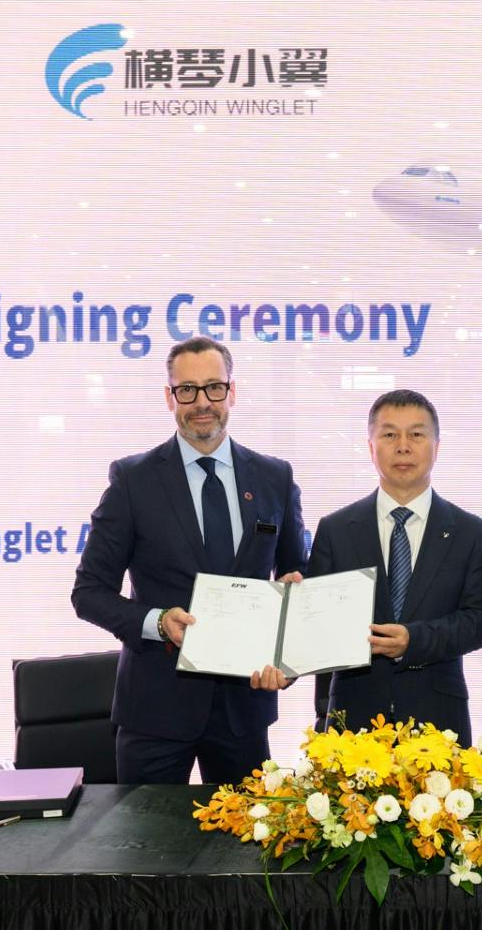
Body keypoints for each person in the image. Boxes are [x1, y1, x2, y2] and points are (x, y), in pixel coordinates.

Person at [72, 336, 307, 783]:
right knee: (146, 852)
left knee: (246, 853)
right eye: (188, 390)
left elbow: (297, 577)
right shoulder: (132, 480)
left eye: (214, 388)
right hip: (155, 712)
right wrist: (158, 622)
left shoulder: (275, 477)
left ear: (232, 392)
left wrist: (289, 654)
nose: (202, 402)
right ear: (169, 397)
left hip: (246, 709)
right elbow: (88, 593)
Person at [305, 389, 482, 738]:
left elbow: (481, 621)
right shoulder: (335, 529)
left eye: (417, 434)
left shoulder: (469, 531)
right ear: (370, 447)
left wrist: (415, 640)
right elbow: (315, 627)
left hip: (439, 724)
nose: (403, 446)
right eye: (390, 434)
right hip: (352, 725)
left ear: (436, 447)